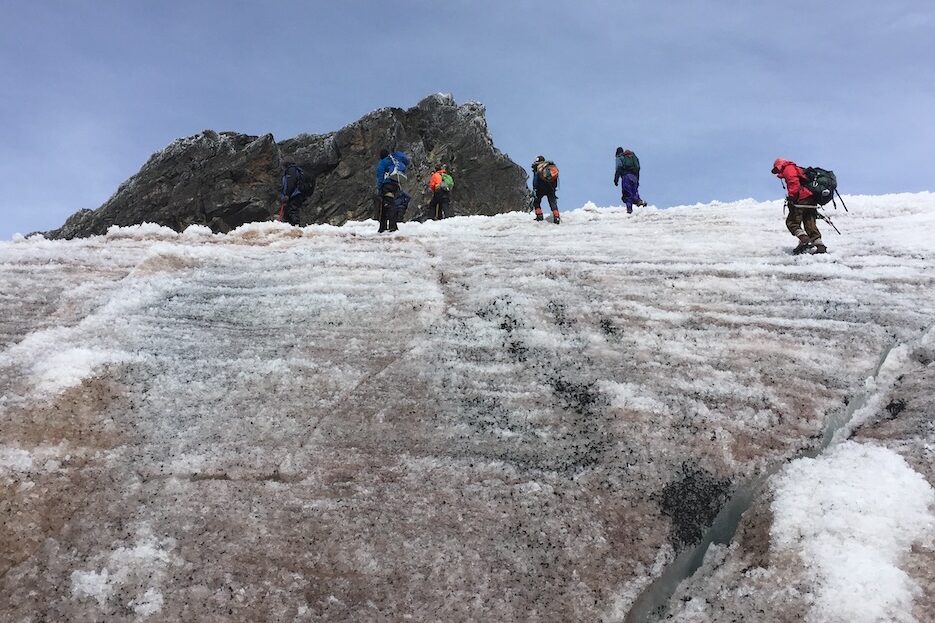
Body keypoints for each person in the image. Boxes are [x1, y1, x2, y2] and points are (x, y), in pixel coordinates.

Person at [772, 158, 826, 254]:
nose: (777, 172)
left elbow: (794, 183)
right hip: (811, 197)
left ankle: (804, 240)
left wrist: (792, 197)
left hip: (802, 197)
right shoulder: (796, 168)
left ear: (779, 165)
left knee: (792, 222)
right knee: (809, 222)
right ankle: (820, 246)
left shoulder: (788, 168)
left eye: (776, 169)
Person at [374, 148, 411, 232]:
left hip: (386, 185)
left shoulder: (383, 162)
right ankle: (386, 227)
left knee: (387, 204)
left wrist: (380, 187)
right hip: (395, 185)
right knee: (389, 203)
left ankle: (389, 227)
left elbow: (380, 175)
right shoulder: (394, 161)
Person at [614, 147, 645, 214]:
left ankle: (629, 210)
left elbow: (619, 167)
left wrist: (616, 179)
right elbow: (637, 168)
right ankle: (639, 201)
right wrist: (637, 181)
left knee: (627, 194)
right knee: (634, 192)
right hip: (634, 178)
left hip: (626, 177)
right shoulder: (631, 157)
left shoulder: (619, 157)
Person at [531, 155, 560, 225]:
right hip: (551, 188)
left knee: (536, 202)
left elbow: (535, 180)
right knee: (553, 203)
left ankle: (539, 216)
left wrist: (535, 188)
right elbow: (556, 179)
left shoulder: (538, 167)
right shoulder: (550, 167)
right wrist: (554, 189)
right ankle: (556, 217)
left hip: (540, 188)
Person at [278, 161, 306, 226]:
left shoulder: (291, 170)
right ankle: (291, 227)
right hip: (295, 195)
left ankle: (296, 227)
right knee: (288, 211)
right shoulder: (294, 170)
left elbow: (291, 183)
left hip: (294, 195)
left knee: (292, 210)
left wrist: (287, 195)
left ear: (286, 164)